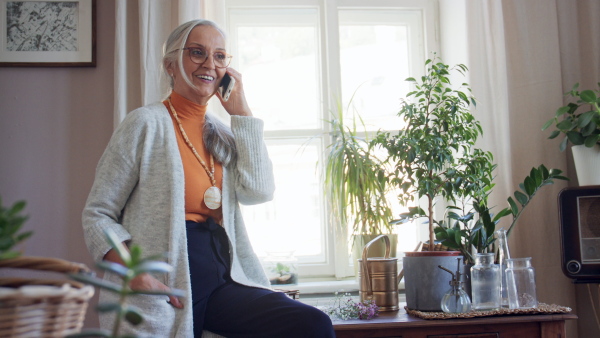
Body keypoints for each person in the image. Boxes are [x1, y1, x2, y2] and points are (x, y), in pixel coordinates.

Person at [82, 19, 335, 337]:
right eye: (197, 53)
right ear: (171, 65)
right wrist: (134, 273)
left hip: (222, 276)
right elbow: (98, 214)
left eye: (219, 56)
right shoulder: (145, 124)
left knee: (311, 324)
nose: (209, 64)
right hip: (166, 279)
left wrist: (241, 112)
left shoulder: (224, 133)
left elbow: (258, 190)